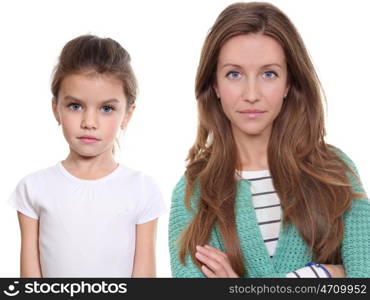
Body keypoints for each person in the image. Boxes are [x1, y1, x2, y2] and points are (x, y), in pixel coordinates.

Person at [168, 2, 370, 278]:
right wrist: (330, 274)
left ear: (288, 83)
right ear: (214, 84)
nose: (252, 94)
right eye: (234, 74)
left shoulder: (336, 172)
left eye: (269, 74)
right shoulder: (193, 192)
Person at [8, 35, 166, 277]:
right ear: (56, 108)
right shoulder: (33, 189)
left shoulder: (142, 190)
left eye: (106, 109)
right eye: (75, 106)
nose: (89, 122)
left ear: (127, 114)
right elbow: (30, 283)